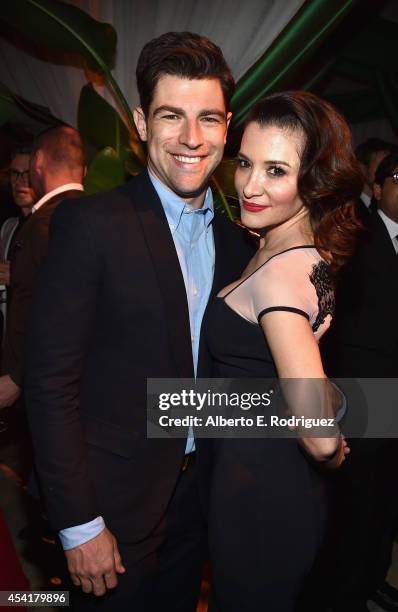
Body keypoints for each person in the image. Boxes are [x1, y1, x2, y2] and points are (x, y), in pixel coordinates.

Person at [24, 32, 253, 611]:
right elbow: (50, 384)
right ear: (141, 123)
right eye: (171, 116)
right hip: (113, 514)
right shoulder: (91, 224)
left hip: (201, 507)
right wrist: (79, 523)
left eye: (208, 118)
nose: (192, 139)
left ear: (228, 126)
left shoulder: (240, 245)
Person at [201, 91, 362, 612]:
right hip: (260, 482)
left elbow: (316, 435)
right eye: (245, 163)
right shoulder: (290, 250)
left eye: (276, 171)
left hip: (262, 503)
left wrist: (331, 449)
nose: (249, 185)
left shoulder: (282, 275)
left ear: (313, 181)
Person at [321, 152, 398, 612]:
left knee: (386, 502)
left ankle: (371, 581)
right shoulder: (359, 237)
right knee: (357, 502)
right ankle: (345, 592)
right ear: (378, 186)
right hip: (365, 394)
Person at [0, 125, 85, 410]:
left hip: (46, 387)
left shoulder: (45, 225)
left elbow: (54, 316)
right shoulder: (102, 216)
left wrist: (16, 377)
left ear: (38, 164)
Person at [0, 146, 35, 343]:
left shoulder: (52, 226)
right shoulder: (8, 227)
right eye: (15, 173)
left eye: (26, 174)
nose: (19, 181)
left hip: (35, 343)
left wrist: (18, 274)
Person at [354, 138, 397, 220]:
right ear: (362, 168)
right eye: (382, 164)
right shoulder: (348, 211)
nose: (387, 169)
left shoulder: (387, 208)